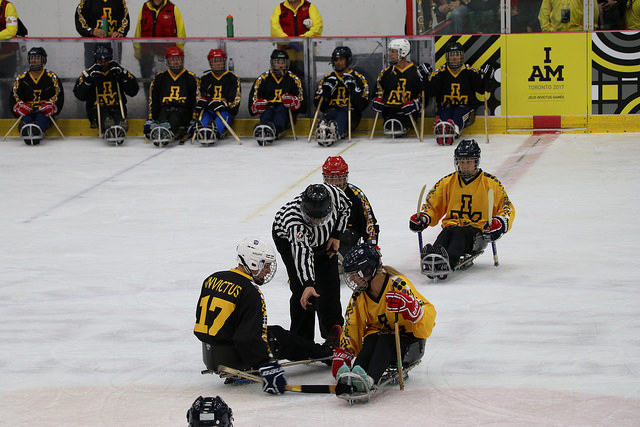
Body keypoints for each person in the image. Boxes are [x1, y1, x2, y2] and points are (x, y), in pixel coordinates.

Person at [194, 238, 334, 395]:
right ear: (253, 263)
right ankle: (327, 353)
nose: (268, 271)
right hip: (235, 357)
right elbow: (246, 337)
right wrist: (266, 366)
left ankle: (320, 351)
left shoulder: (212, 278)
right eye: (266, 265)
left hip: (211, 354)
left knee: (270, 331)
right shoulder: (249, 291)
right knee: (280, 337)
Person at [331, 243, 436, 397]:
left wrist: (412, 309)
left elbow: (428, 313)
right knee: (372, 339)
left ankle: (369, 379)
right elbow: (353, 325)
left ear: (368, 269)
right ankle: (355, 374)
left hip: (409, 344)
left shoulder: (398, 284)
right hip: (380, 340)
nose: (352, 279)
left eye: (355, 273)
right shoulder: (360, 294)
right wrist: (344, 352)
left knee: (385, 340)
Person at [409, 139, 515, 279]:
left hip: (476, 233)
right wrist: (424, 217)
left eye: (468, 162)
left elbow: (506, 208)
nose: (464, 166)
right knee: (446, 233)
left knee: (459, 233)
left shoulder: (490, 183)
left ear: (476, 161)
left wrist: (500, 223)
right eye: (461, 161)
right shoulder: (447, 182)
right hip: (452, 227)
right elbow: (433, 205)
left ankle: (448, 261)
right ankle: (434, 255)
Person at [272, 183, 351, 343]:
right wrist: (308, 283)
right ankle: (302, 341)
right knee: (303, 292)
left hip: (325, 239)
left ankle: (334, 336)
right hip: (289, 242)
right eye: (312, 219)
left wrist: (336, 235)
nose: (317, 223)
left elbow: (346, 208)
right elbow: (303, 254)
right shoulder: (295, 222)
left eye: (322, 218)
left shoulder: (335, 195)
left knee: (330, 286)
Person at [427, 42, 491, 145]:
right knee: (445, 114)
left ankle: (454, 130)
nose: (454, 58)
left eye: (457, 54)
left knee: (458, 114)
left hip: (465, 108)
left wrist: (486, 79)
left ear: (462, 56)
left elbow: (481, 89)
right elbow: (430, 91)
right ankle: (443, 128)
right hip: (446, 107)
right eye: (451, 55)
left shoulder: (470, 72)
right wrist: (426, 80)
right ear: (447, 57)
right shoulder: (441, 73)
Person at [73, 44, 139, 144]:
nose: (103, 63)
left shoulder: (117, 69)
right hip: (97, 109)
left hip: (116, 107)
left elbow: (133, 91)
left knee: (118, 119)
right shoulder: (88, 72)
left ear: (110, 58)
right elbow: (79, 95)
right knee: (105, 118)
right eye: (100, 60)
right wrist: (89, 81)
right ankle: (108, 126)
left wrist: (123, 77)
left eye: (106, 60)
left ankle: (118, 126)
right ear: (95, 58)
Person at [321, 156, 379, 257]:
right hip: (325, 238)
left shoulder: (357, 195)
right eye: (332, 178)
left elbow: (370, 223)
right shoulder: (317, 195)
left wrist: (372, 248)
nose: (335, 183)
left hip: (349, 238)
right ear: (325, 178)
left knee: (346, 235)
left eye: (339, 177)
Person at [313, 46, 369, 146]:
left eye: (341, 59)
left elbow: (362, 105)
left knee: (343, 113)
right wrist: (326, 95)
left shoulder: (358, 78)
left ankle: (334, 131)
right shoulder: (328, 78)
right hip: (332, 110)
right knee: (329, 115)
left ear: (348, 60)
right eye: (336, 60)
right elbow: (319, 106)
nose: (338, 62)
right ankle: (324, 128)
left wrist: (353, 90)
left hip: (351, 114)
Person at [145, 46, 199, 145]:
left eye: (178, 59)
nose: (176, 62)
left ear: (182, 60)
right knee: (162, 116)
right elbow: (154, 100)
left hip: (182, 110)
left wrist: (194, 119)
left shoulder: (191, 78)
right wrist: (150, 118)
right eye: (172, 59)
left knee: (175, 117)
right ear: (167, 61)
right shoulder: (160, 78)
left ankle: (166, 132)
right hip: (165, 108)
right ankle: (160, 129)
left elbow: (195, 100)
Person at [248, 49, 303, 145]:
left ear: (287, 64)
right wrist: (257, 105)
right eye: (277, 62)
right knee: (267, 110)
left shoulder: (294, 79)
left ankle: (274, 129)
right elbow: (252, 104)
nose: (280, 65)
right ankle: (263, 127)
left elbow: (304, 105)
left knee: (281, 110)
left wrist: (294, 102)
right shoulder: (263, 79)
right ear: (272, 63)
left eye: (283, 62)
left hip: (285, 113)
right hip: (269, 108)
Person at [133, 0, 186, 99]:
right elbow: (138, 32)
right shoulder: (144, 8)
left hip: (166, 57)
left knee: (166, 84)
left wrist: (178, 56)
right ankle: (150, 108)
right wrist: (138, 53)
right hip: (146, 56)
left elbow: (181, 34)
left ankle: (166, 106)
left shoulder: (173, 9)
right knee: (148, 85)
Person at [11, 47, 64, 145]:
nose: (34, 60)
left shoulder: (51, 77)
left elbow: (58, 94)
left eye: (37, 58)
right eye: (32, 58)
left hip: (43, 112)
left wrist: (51, 105)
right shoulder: (21, 78)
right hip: (28, 111)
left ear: (43, 60)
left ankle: (37, 130)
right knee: (27, 119)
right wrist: (20, 105)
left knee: (41, 118)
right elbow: (14, 95)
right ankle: (26, 129)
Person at [372, 39, 422, 138]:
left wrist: (415, 104)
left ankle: (406, 124)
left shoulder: (416, 72)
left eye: (393, 51)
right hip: (389, 112)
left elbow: (424, 94)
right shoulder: (386, 73)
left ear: (403, 52)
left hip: (408, 113)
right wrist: (377, 100)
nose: (390, 54)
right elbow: (377, 91)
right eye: (390, 51)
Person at [192, 48, 241, 145]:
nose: (218, 63)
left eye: (220, 60)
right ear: (210, 63)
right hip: (209, 111)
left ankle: (214, 133)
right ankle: (203, 132)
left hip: (224, 112)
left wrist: (223, 104)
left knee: (224, 116)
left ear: (224, 61)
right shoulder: (204, 79)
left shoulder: (233, 78)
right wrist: (202, 102)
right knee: (205, 116)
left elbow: (235, 103)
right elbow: (199, 97)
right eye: (214, 61)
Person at [270, 0, 323, 79]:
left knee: (307, 84)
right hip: (285, 58)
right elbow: (275, 31)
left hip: (306, 56)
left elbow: (317, 28)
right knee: (285, 84)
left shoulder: (310, 7)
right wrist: (289, 42)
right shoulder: (279, 8)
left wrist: (301, 40)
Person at [75, 0, 130, 67]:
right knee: (91, 71)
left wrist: (120, 32)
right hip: (92, 45)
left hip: (113, 44)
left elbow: (125, 19)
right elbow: (80, 19)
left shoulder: (119, 1)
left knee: (115, 71)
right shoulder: (86, 1)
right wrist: (92, 31)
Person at [1, 0, 21, 118]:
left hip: (7, 58)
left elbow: (11, 31)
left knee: (7, 90)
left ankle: (7, 117)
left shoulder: (7, 6)